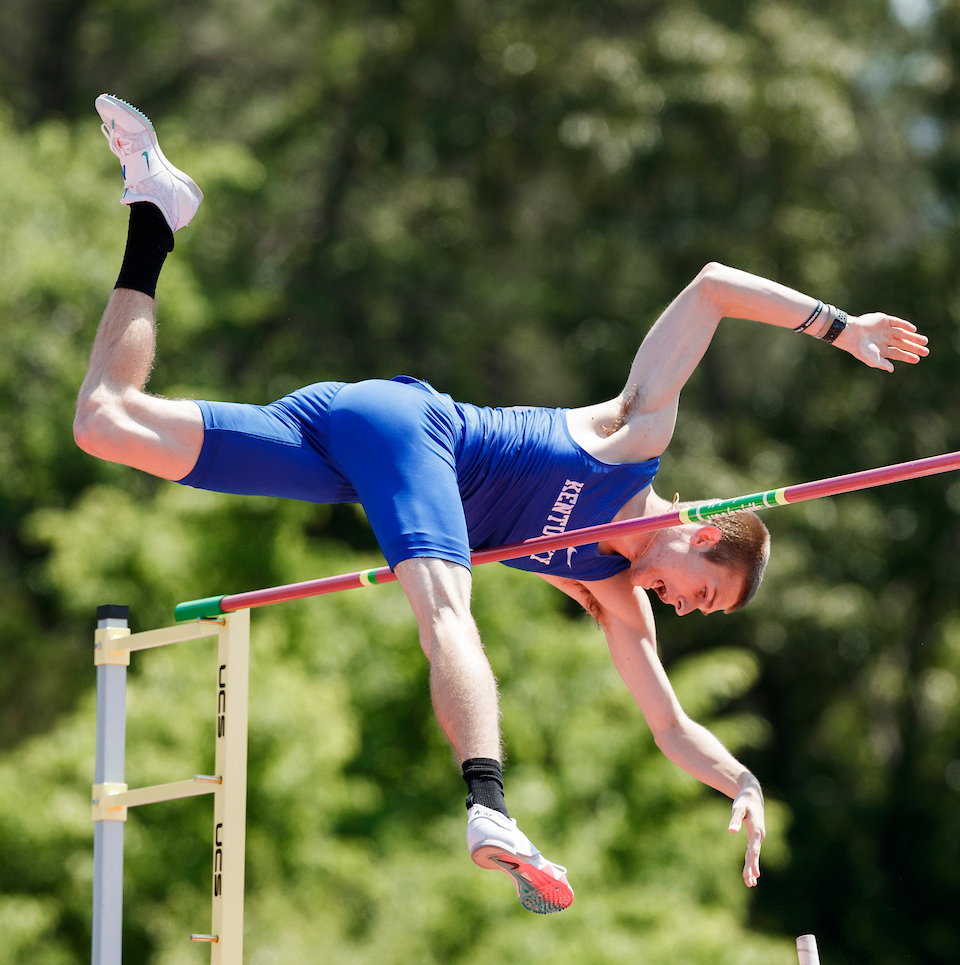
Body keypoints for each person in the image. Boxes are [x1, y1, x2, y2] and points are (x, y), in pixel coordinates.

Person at [75, 95, 929, 915]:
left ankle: (155, 207)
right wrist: (838, 325)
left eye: (694, 611)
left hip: (347, 460)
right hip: (413, 431)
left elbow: (668, 726)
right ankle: (488, 801)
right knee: (446, 605)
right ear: (704, 531)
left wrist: (741, 778)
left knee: (106, 422)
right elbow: (710, 289)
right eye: (700, 589)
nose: (681, 604)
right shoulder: (631, 440)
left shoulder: (612, 595)